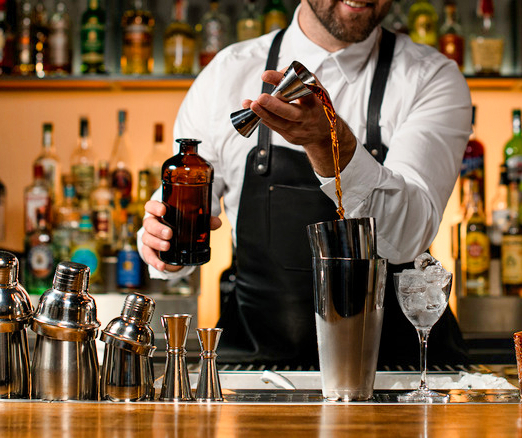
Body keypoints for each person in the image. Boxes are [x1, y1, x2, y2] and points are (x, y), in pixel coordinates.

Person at [139, 0, 472, 367]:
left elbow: (408, 237)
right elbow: (182, 209)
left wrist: (330, 145)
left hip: (396, 374)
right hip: (258, 369)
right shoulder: (227, 74)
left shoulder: (430, 77)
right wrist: (161, 241)